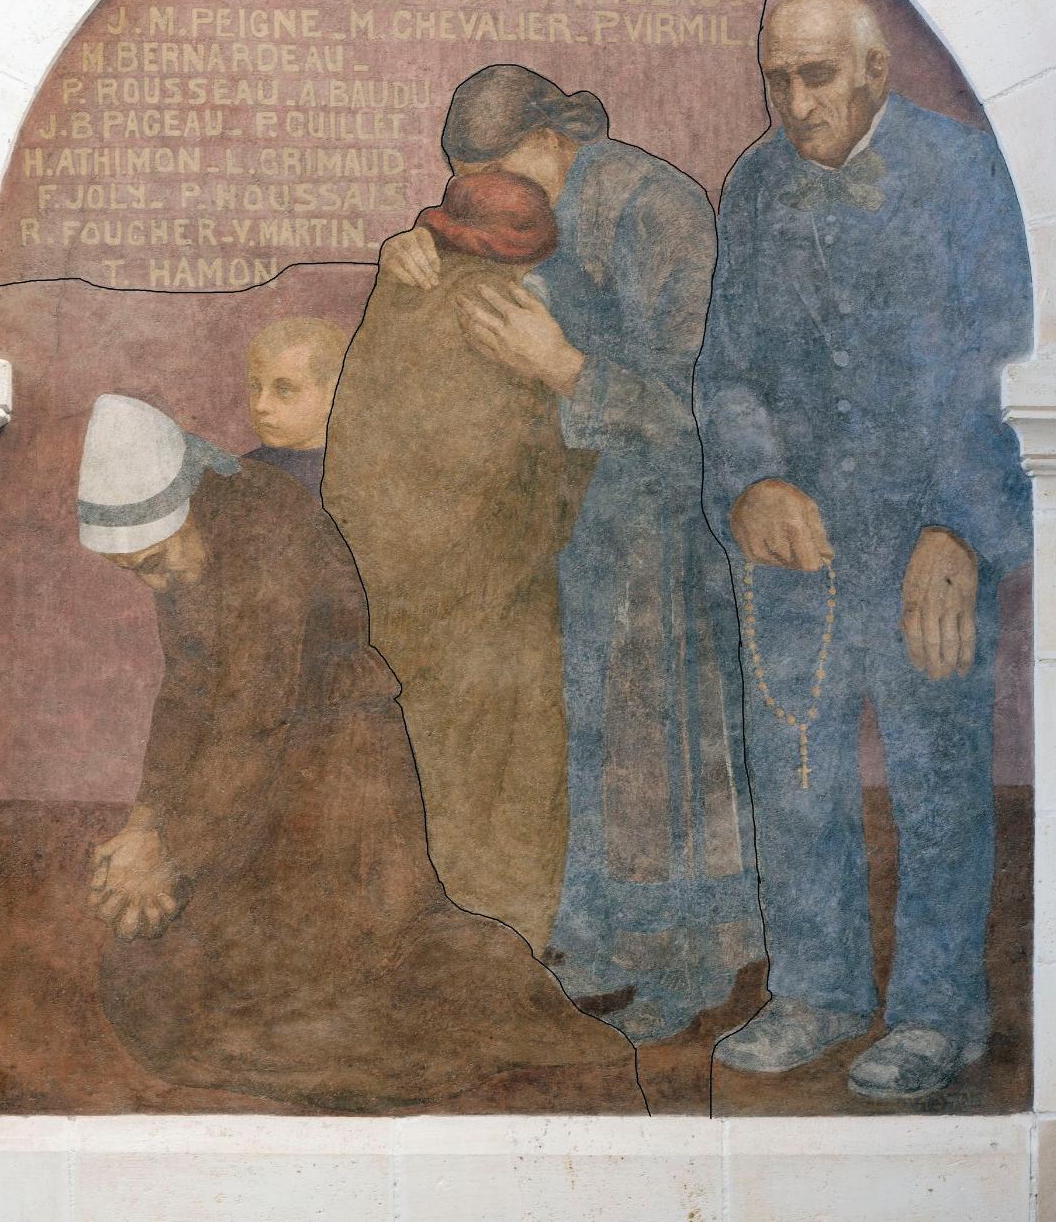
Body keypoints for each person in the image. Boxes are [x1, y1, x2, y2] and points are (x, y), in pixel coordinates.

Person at [79, 393, 645, 1113]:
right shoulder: (190, 541)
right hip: (253, 768)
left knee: (314, 995)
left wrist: (169, 852)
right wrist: (145, 818)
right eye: (136, 573)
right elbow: (189, 690)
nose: (156, 584)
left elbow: (254, 713)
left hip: (337, 770)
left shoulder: (265, 524)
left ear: (186, 504)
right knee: (156, 980)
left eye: (156, 563)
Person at [698, 0, 1032, 1100]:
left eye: (817, 78)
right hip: (797, 544)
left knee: (936, 785)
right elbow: (728, 370)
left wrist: (963, 527)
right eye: (775, 78)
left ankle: (937, 1012)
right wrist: (751, 482)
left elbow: (1011, 360)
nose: (793, 104)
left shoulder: (965, 175)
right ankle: (818, 990)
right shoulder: (752, 185)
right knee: (796, 775)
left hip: (927, 539)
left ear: (875, 75)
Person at [381, 64, 760, 1041]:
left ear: (553, 140)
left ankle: (692, 960)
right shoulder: (534, 206)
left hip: (676, 527)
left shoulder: (656, 210)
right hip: (583, 519)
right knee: (588, 731)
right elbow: (479, 256)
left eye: (501, 172)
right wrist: (410, 253)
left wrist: (560, 368)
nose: (495, 198)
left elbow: (702, 409)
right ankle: (594, 935)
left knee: (663, 744)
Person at [323, 169, 591, 954]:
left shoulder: (400, 294)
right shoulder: (499, 311)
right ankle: (505, 952)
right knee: (505, 775)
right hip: (486, 591)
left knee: (424, 774)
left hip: (393, 585)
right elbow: (523, 464)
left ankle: (432, 949)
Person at [244, 315, 348, 499]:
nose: (261, 405)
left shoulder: (358, 480)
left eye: (284, 389)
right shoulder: (236, 476)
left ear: (332, 394)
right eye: (255, 386)